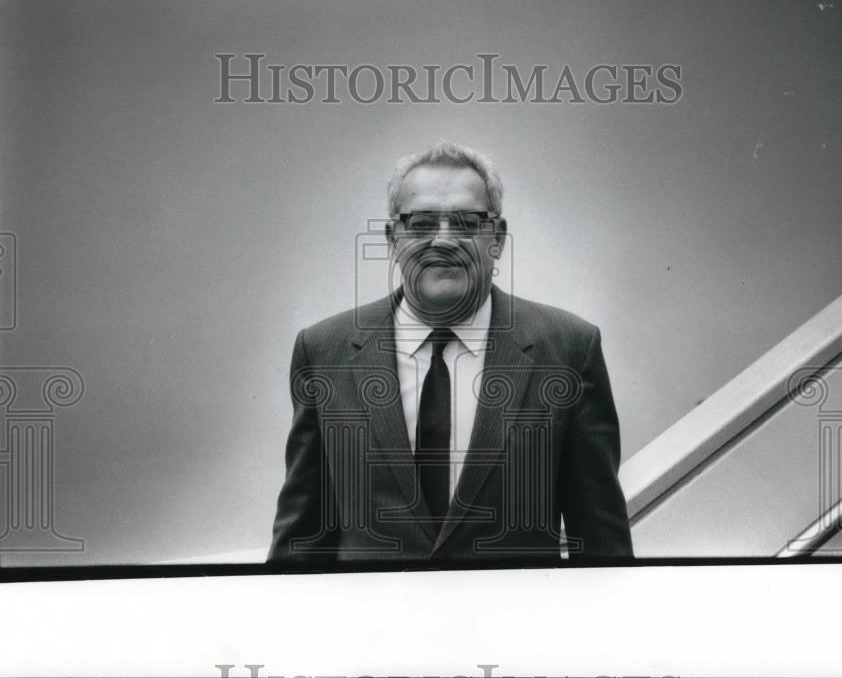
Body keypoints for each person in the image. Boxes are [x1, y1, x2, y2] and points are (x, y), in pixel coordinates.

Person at [268, 143, 632, 564]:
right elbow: (300, 539)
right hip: (373, 627)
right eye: (421, 223)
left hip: (515, 625)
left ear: (496, 238)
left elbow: (603, 544)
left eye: (466, 221)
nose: (443, 239)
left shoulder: (569, 348)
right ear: (393, 238)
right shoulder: (323, 351)